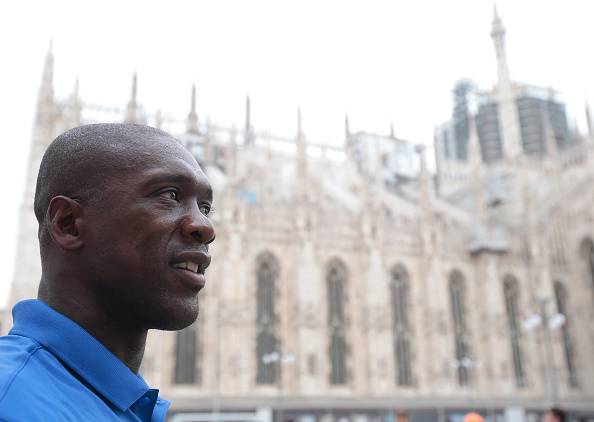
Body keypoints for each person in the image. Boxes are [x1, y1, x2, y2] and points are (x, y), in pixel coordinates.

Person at [0, 123, 216, 421]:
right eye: (170, 195)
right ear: (68, 223)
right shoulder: (11, 401)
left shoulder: (127, 404)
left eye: (205, 208)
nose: (206, 227)